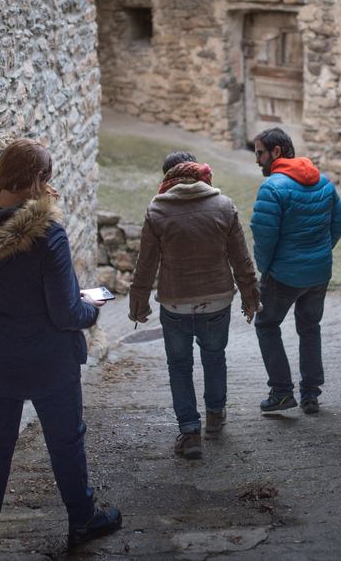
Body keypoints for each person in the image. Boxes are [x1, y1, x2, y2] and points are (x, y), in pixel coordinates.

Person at [0, 139, 122, 559]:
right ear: (40, 181)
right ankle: (82, 519)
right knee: (65, 440)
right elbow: (65, 313)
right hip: (47, 360)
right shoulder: (46, 236)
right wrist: (91, 307)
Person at [129, 151, 259, 459]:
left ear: (167, 178)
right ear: (201, 174)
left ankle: (190, 433)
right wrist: (251, 297)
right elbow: (240, 258)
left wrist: (139, 304)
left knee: (179, 366)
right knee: (214, 357)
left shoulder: (157, 209)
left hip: (175, 304)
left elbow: (145, 263)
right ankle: (214, 416)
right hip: (217, 301)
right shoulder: (224, 206)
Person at [250, 128, 341, 415]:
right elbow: (338, 225)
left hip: (284, 275)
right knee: (309, 327)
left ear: (276, 152)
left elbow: (264, 238)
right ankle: (310, 395)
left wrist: (264, 272)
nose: (257, 161)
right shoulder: (324, 182)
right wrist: (319, 253)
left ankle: (281, 392)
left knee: (266, 324)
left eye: (259, 153)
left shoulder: (272, 188)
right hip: (319, 273)